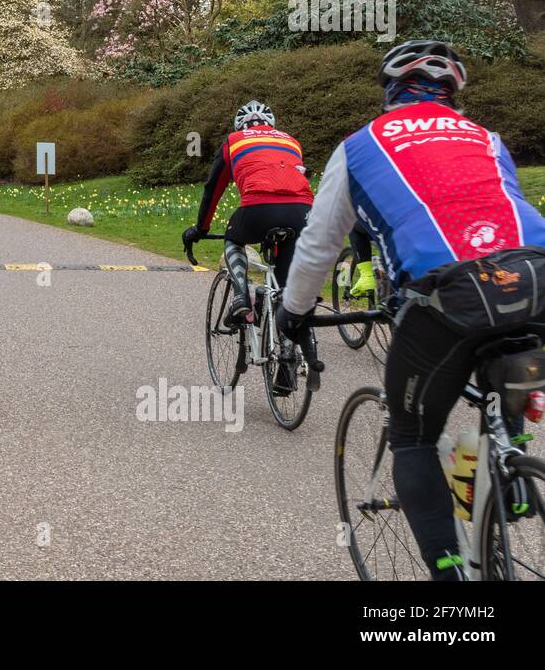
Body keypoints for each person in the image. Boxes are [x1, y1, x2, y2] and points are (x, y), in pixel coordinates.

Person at [277, 39, 545, 581]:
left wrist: (293, 311)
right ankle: (512, 453)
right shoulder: (486, 137)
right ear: (452, 95)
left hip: (447, 293)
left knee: (415, 436)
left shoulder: (359, 147)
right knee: (511, 344)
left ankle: (450, 583)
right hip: (536, 275)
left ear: (390, 91)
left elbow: (319, 245)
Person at [182, 101, 316, 337]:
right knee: (285, 285)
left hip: (258, 206)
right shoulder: (290, 141)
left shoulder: (234, 140)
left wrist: (201, 228)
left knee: (233, 239)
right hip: (303, 210)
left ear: (240, 125)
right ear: (271, 125)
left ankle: (242, 297)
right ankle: (290, 351)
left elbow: (213, 188)